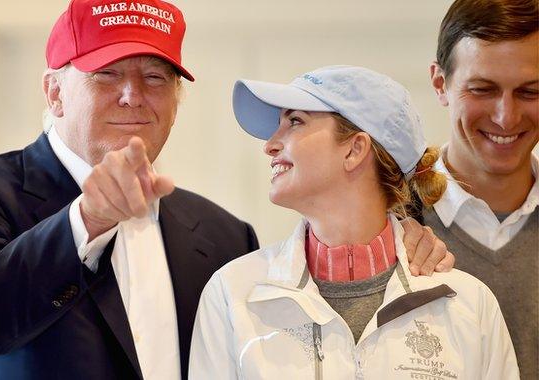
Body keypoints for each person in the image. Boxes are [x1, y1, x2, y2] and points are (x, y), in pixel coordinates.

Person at [0, 1, 451, 379]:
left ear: (176, 99)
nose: (133, 95)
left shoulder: (222, 235)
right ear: (54, 91)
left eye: (156, 78)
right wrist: (89, 218)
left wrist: (402, 237)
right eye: (107, 74)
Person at [189, 66, 519, 379]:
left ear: (354, 150)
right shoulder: (233, 295)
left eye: (295, 122)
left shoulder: (469, 306)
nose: (270, 145)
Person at [424, 0, 538, 377]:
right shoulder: (386, 219)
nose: (506, 116)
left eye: (529, 92)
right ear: (441, 84)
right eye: (483, 90)